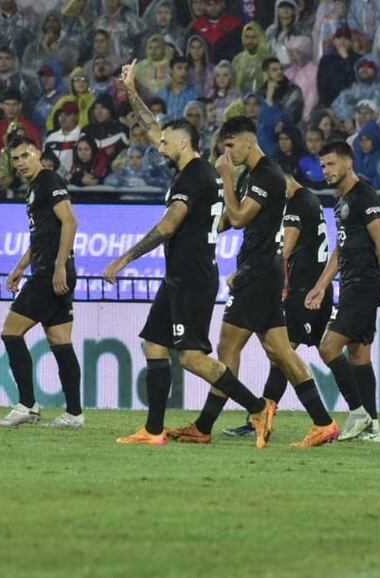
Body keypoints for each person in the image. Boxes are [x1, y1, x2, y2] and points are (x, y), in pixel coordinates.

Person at [103, 63, 275, 447]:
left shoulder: (193, 177)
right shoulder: (195, 169)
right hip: (180, 276)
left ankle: (257, 407)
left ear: (183, 144)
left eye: (165, 143)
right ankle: (152, 430)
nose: (158, 146)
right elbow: (152, 129)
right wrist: (131, 90)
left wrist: (124, 258)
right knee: (154, 343)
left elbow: (169, 225)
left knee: (193, 358)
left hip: (193, 278)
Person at [170, 115, 340, 447]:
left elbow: (237, 217)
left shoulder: (266, 175)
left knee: (232, 348)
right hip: (262, 271)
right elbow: (228, 220)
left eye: (230, 145)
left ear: (249, 141)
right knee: (276, 351)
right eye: (223, 147)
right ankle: (323, 423)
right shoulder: (255, 175)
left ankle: (219, 422)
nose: (226, 153)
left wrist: (225, 177)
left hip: (259, 273)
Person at [305, 140, 380, 442]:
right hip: (350, 283)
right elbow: (342, 246)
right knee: (359, 355)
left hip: (365, 285)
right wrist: (321, 286)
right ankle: (373, 427)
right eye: (323, 165)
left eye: (331, 164)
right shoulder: (341, 199)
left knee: (328, 348)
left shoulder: (365, 195)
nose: (326, 170)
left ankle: (357, 412)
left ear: (348, 163)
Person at [223, 173, 335, 438]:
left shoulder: (296, 203)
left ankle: (267, 419)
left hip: (302, 291)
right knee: (298, 355)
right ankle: (359, 413)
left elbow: (284, 249)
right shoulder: (310, 199)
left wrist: (250, 273)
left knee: (283, 357)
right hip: (312, 288)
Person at [0, 135, 82, 429]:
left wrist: (58, 267)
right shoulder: (36, 187)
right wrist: (19, 267)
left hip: (50, 272)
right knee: (60, 341)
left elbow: (70, 221)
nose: (19, 163)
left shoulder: (48, 180)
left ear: (38, 153)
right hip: (50, 268)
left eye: (24, 155)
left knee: (10, 333)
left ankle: (27, 405)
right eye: (15, 159)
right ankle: (74, 414)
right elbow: (42, 236)